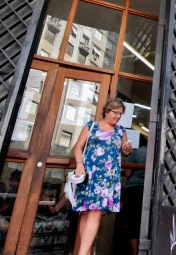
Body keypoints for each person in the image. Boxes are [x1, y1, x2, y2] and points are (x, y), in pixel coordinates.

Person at [72, 98, 133, 255]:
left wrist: (126, 149)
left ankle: (82, 253)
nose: (118, 116)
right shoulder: (91, 126)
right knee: (85, 213)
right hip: (89, 174)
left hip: (107, 178)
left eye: (121, 114)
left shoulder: (121, 131)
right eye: (116, 113)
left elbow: (124, 153)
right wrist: (79, 164)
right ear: (107, 112)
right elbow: (78, 147)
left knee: (95, 213)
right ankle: (83, 252)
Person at [118, 135, 148, 255]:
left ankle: (135, 252)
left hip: (133, 188)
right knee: (145, 220)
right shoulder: (151, 152)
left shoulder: (134, 153)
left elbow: (128, 172)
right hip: (147, 188)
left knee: (133, 221)